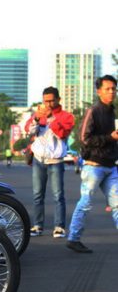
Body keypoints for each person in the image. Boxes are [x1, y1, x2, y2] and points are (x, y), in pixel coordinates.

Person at [66, 75, 118, 253]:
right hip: (94, 165)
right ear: (99, 91)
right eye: (107, 89)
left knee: (117, 204)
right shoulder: (93, 111)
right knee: (85, 203)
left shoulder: (111, 112)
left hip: (111, 165)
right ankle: (73, 238)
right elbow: (84, 139)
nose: (111, 92)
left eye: (114, 89)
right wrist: (109, 138)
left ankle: (73, 238)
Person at [24, 87, 74, 238]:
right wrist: (36, 119)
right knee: (37, 195)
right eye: (46, 101)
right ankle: (37, 225)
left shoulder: (66, 116)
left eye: (52, 101)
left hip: (56, 160)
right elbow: (28, 130)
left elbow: (63, 133)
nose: (48, 104)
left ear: (58, 100)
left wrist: (51, 118)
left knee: (58, 195)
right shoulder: (38, 115)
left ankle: (59, 226)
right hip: (39, 159)